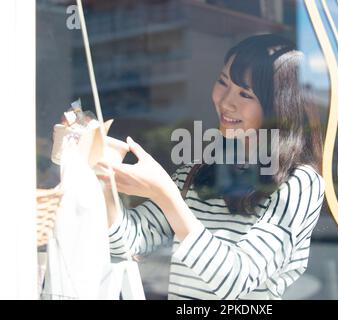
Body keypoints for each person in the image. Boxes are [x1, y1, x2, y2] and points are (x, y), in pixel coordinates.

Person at [97, 34, 325, 300]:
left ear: (277, 106)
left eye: (245, 94)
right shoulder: (197, 170)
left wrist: (166, 196)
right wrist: (102, 176)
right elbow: (129, 241)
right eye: (223, 82)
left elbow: (237, 280)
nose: (226, 101)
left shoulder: (300, 183)